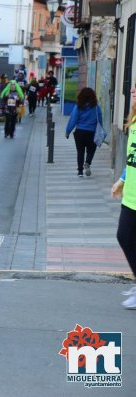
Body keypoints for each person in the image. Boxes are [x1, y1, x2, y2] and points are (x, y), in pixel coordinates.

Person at [111, 83, 136, 309]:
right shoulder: (134, 122)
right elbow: (132, 159)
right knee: (124, 236)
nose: (133, 91)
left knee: (127, 237)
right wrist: (122, 179)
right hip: (131, 196)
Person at [65, 87, 102, 177]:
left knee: (80, 151)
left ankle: (80, 171)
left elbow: (73, 120)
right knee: (91, 150)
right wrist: (100, 132)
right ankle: (88, 163)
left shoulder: (78, 107)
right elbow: (100, 120)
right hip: (92, 133)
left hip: (80, 132)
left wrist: (68, 131)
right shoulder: (96, 108)